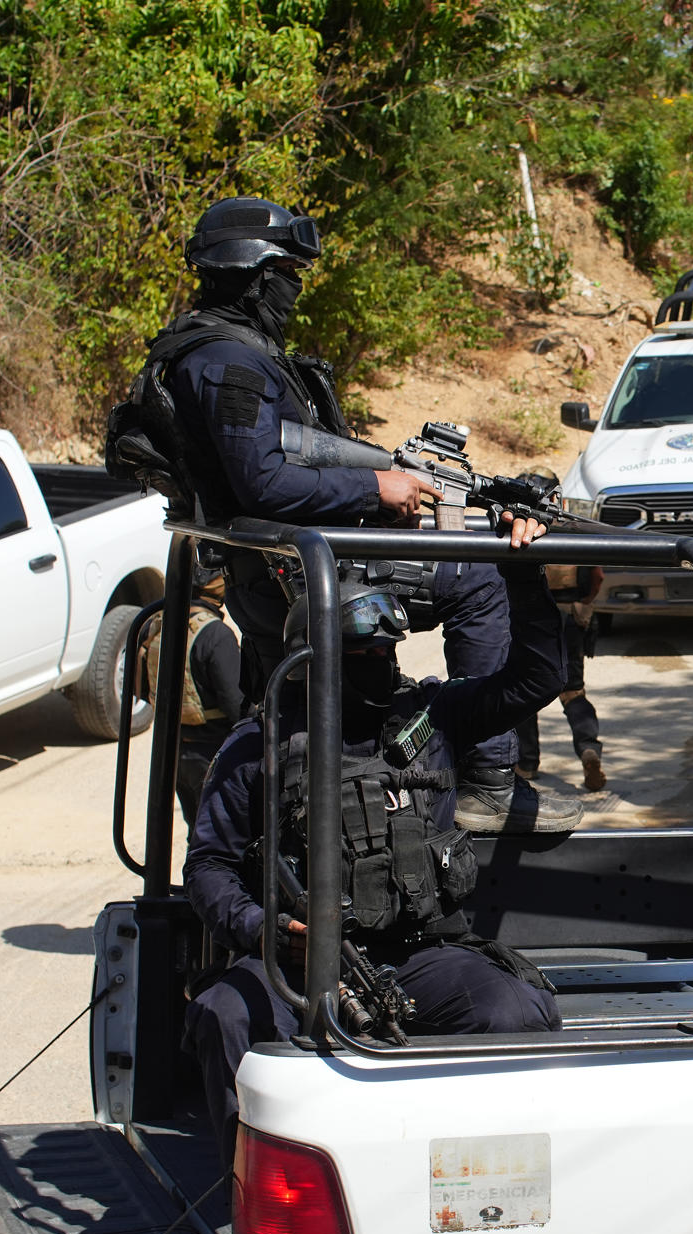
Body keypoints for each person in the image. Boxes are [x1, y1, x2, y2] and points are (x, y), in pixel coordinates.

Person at [154, 196, 580, 834]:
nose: (296, 291)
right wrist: (375, 489)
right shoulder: (229, 363)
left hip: (282, 566)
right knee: (483, 581)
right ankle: (488, 783)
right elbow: (261, 481)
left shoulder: (212, 351)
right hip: (297, 574)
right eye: (291, 275)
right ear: (259, 274)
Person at [182, 529, 565, 1167]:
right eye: (363, 656)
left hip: (420, 954)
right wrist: (267, 930)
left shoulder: (431, 717)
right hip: (297, 964)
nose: (382, 668)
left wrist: (523, 573)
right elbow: (210, 867)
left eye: (387, 652)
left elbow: (536, 678)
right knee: (227, 1015)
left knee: (512, 1011)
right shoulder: (258, 747)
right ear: (313, 663)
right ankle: (249, 1199)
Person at [509, 466, 607, 793]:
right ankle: (588, 747)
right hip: (570, 617)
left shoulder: (516, 530)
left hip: (532, 619)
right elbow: (597, 577)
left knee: (526, 688)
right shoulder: (573, 528)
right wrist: (584, 607)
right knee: (572, 689)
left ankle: (526, 762)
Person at [140, 562, 244, 823]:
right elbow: (236, 706)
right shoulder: (215, 634)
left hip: (174, 752)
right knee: (220, 837)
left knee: (196, 834)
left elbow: (142, 690)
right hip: (211, 754)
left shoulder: (155, 624)